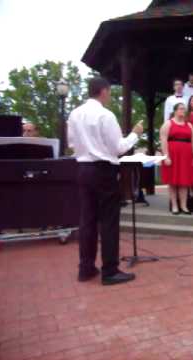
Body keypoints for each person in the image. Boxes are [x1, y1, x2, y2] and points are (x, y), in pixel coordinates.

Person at [67, 77, 143, 286]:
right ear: (103, 91)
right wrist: (135, 135)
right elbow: (118, 148)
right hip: (103, 170)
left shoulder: (74, 114)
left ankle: (86, 267)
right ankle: (109, 271)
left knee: (87, 220)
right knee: (109, 221)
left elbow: (72, 142)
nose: (110, 95)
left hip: (83, 168)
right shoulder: (105, 115)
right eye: (109, 92)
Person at [160, 103, 193, 215]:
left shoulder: (189, 125)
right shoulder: (168, 123)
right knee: (172, 182)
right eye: (181, 109)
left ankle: (184, 206)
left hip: (186, 157)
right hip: (172, 155)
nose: (183, 111)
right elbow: (163, 140)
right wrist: (166, 156)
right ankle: (175, 206)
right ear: (175, 111)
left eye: (184, 109)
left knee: (184, 182)